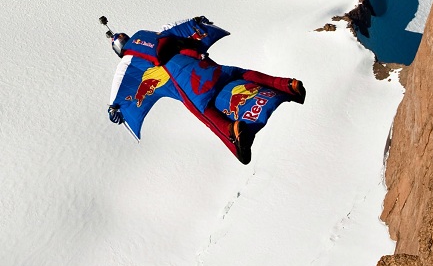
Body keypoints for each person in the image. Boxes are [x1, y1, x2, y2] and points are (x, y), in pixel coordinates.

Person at [103, 16, 305, 164]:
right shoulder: (159, 35)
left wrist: (115, 110)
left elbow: (119, 95)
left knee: (203, 111)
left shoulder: (129, 64)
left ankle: (233, 132)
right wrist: (199, 22)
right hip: (205, 66)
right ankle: (287, 85)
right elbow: (183, 25)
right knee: (238, 73)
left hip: (189, 86)